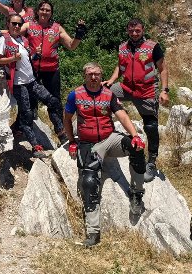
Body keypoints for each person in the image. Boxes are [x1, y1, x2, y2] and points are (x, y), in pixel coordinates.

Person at [64, 62, 147, 247]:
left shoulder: (109, 94)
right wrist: (72, 141)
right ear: (84, 76)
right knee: (89, 181)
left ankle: (136, 194)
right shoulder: (75, 95)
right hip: (89, 144)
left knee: (137, 148)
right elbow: (67, 119)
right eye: (90, 74)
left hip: (110, 138)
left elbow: (122, 115)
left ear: (102, 76)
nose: (94, 77)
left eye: (97, 74)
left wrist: (135, 136)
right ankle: (93, 233)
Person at [104, 18, 169, 183]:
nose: (134, 33)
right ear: (127, 30)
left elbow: (162, 68)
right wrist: (112, 80)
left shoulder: (153, 47)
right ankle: (101, 132)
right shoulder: (123, 47)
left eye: (137, 31)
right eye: (131, 31)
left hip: (146, 90)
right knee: (103, 93)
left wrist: (164, 91)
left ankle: (152, 161)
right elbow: (120, 66)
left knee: (150, 125)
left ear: (143, 30)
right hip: (126, 87)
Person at [0, 14, 63, 158]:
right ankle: (35, 146)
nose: (17, 26)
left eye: (19, 24)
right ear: (8, 24)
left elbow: (27, 60)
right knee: (27, 114)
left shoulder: (22, 39)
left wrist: (36, 55)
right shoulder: (4, 40)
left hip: (32, 81)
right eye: (14, 23)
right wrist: (13, 58)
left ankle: (62, 131)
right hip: (19, 84)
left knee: (53, 101)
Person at [26, 0, 87, 141]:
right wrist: (0, 33)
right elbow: (14, 30)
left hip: (51, 71)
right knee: (30, 101)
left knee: (55, 101)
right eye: (42, 9)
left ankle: (61, 132)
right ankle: (26, 130)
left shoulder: (57, 28)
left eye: (48, 10)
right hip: (32, 70)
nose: (45, 12)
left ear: (51, 13)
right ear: (37, 11)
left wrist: (79, 35)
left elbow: (71, 46)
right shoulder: (29, 25)